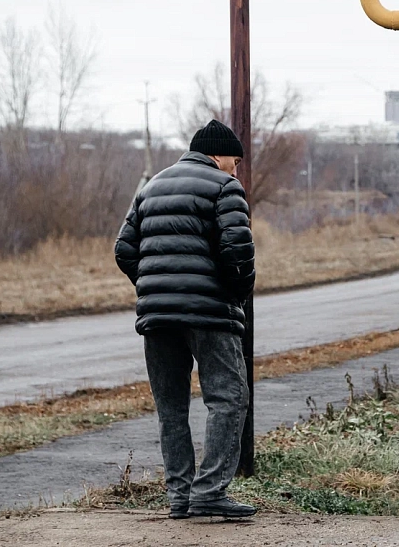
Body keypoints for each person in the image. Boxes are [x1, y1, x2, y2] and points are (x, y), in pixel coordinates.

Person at [115, 119, 257, 519]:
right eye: (235, 160)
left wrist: (154, 287)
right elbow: (238, 251)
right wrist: (234, 295)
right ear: (218, 155)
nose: (236, 168)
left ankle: (180, 497)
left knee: (172, 408)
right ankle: (209, 493)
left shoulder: (151, 186)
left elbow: (124, 250)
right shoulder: (225, 187)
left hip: (157, 316)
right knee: (228, 399)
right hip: (209, 314)